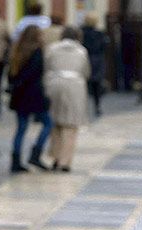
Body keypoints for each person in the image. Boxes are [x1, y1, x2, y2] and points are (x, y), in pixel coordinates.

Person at [43, 27, 90, 173]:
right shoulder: (81, 51)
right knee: (71, 126)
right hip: (74, 86)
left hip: (54, 84)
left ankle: (55, 158)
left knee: (55, 124)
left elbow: (46, 67)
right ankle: (65, 161)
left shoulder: (52, 49)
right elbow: (86, 71)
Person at [8, 26, 52, 173]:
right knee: (48, 123)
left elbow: (12, 75)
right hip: (34, 95)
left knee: (21, 129)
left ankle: (15, 160)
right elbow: (35, 73)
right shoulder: (37, 52)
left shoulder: (17, 51)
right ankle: (36, 153)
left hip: (19, 96)